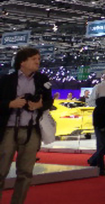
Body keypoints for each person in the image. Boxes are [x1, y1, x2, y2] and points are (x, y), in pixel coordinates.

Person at [0, 47, 52, 204]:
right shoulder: (6, 80)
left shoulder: (42, 79)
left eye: (39, 59)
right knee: (1, 171)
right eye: (34, 59)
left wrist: (39, 105)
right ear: (22, 62)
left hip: (32, 130)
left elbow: (49, 101)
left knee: (26, 173)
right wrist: (11, 103)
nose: (38, 62)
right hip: (9, 129)